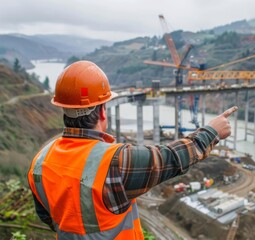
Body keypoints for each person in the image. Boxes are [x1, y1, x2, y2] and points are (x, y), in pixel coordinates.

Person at [28, 60, 238, 240]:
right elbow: (172, 158)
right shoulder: (115, 162)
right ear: (102, 111)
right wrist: (212, 132)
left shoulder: (40, 162)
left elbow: (48, 217)